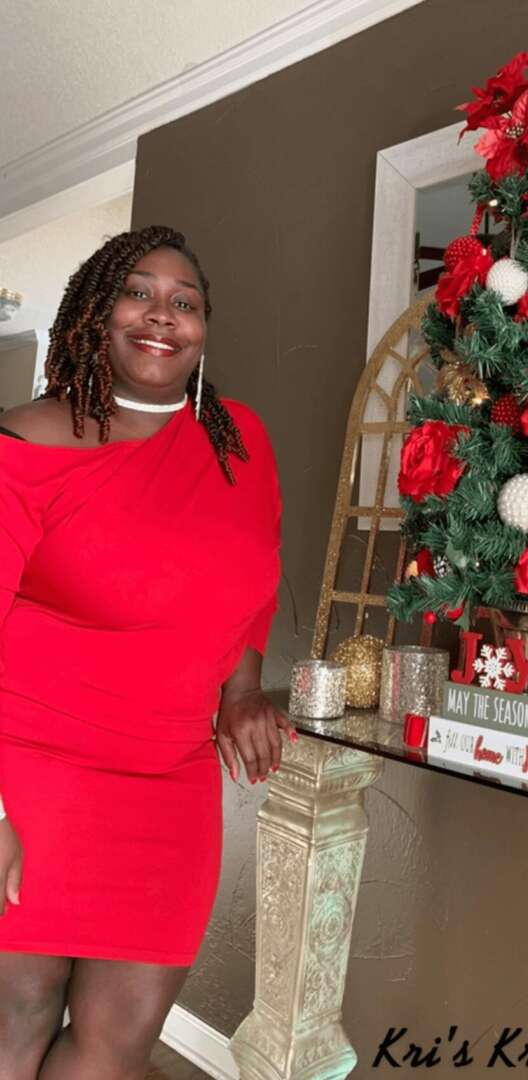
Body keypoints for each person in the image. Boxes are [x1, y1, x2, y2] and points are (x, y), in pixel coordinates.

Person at [0, 224, 295, 1079]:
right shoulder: (24, 445)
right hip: (31, 770)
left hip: (171, 782)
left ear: (203, 328)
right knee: (17, 1021)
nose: (162, 315)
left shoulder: (240, 441)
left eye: (184, 302)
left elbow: (255, 578)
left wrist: (242, 690)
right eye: (137, 293)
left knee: (120, 1044)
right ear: (95, 314)